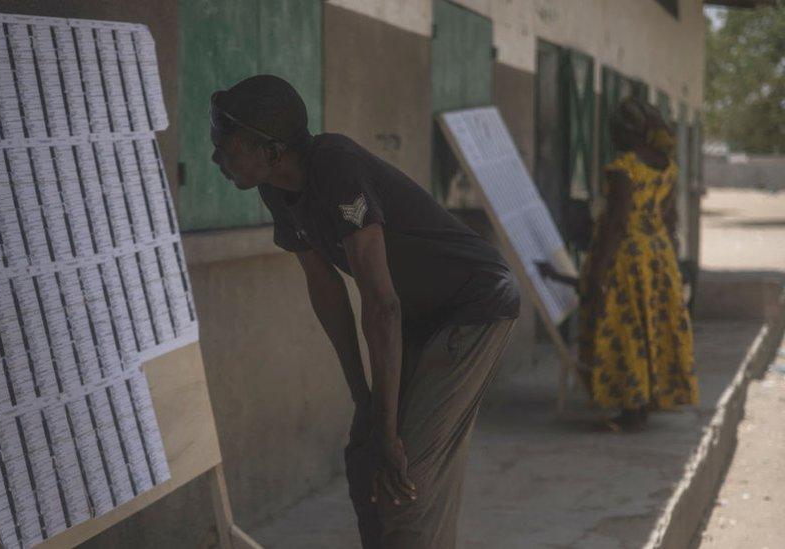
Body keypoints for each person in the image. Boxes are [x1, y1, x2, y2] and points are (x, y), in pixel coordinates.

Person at [208, 74, 520, 548]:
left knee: (405, 479)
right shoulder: (274, 189)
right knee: (364, 459)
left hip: (474, 305)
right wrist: (365, 399)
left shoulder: (336, 166)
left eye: (228, 146)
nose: (217, 158)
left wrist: (390, 429)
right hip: (420, 312)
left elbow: (380, 304)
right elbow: (328, 293)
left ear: (271, 150)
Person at [541, 96, 698, 432]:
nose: (612, 137)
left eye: (615, 131)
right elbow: (670, 219)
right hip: (659, 257)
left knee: (626, 329)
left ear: (629, 132)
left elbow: (616, 223)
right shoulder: (666, 166)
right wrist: (671, 256)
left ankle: (632, 410)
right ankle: (647, 400)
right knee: (651, 325)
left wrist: (597, 271)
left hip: (628, 258)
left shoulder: (624, 169)